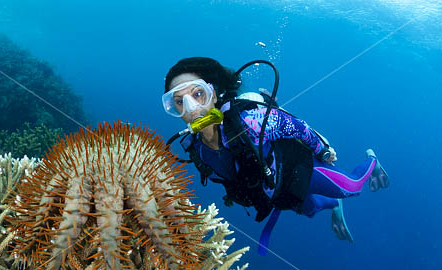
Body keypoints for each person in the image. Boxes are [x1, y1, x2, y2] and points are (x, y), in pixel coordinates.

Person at [162, 57, 389, 251]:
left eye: (198, 94)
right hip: (275, 192)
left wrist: (323, 150)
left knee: (351, 187)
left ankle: (373, 160)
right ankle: (334, 206)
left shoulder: (251, 121)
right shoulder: (194, 147)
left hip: (300, 170)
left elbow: (296, 126)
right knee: (309, 209)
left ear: (214, 93)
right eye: (179, 102)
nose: (191, 109)